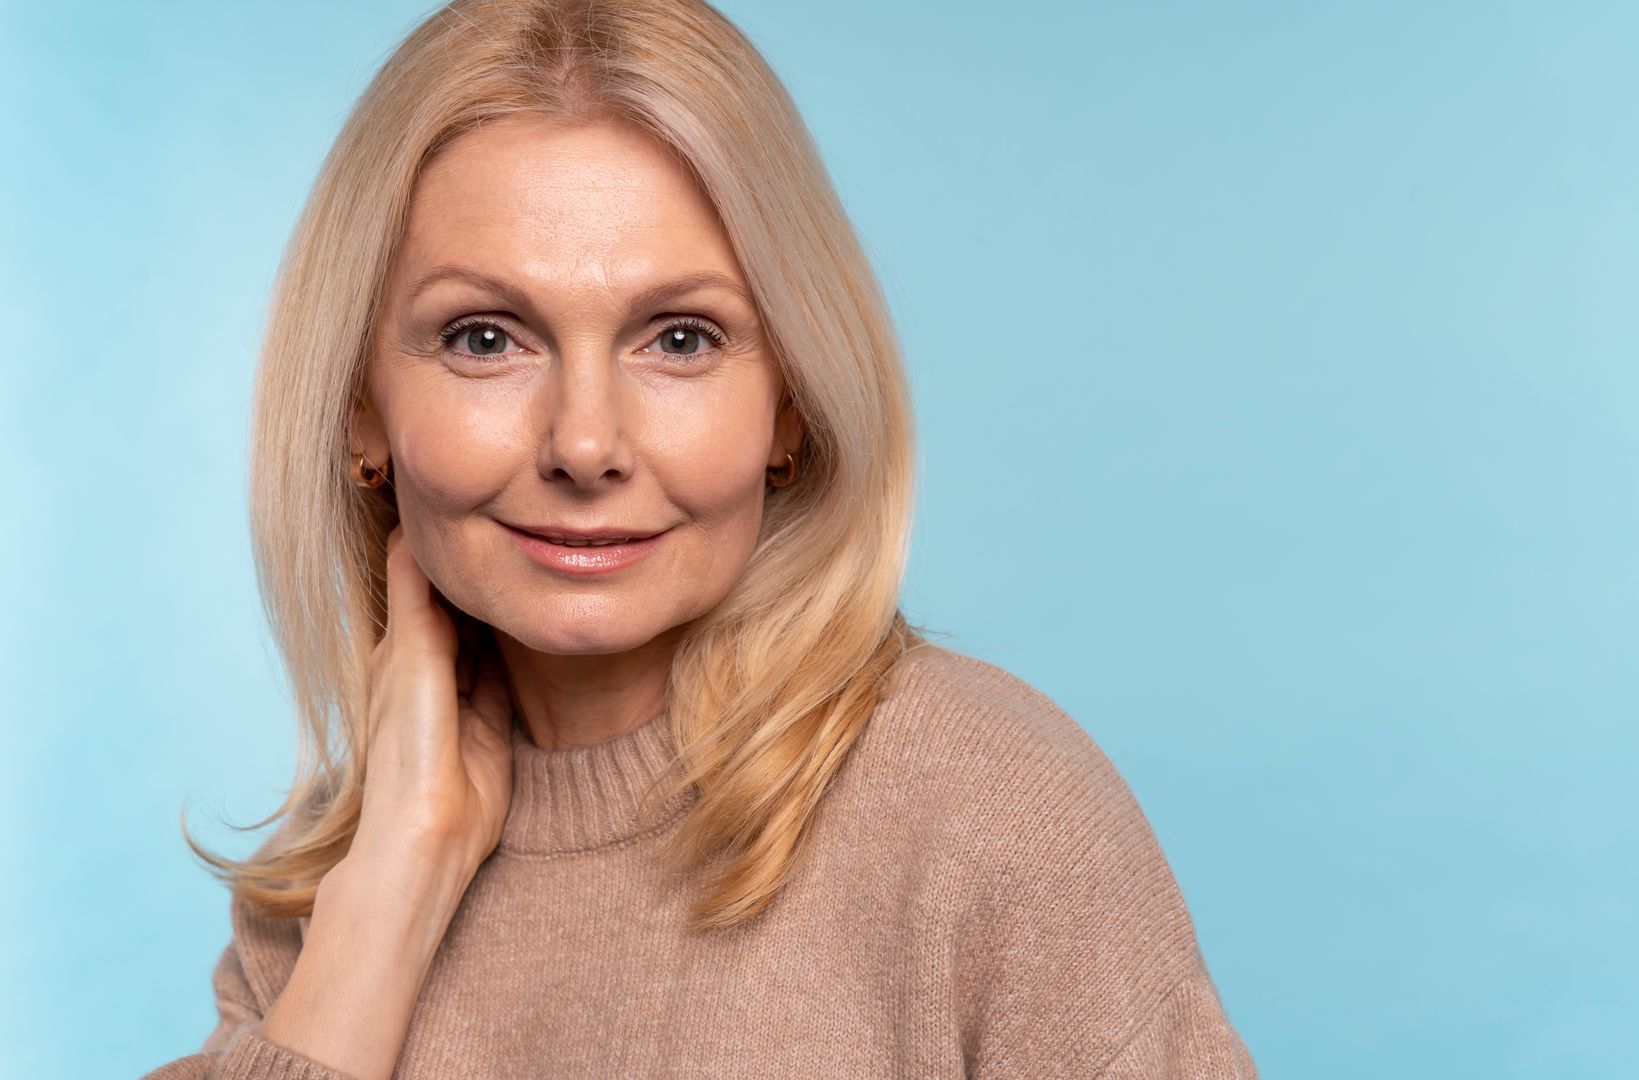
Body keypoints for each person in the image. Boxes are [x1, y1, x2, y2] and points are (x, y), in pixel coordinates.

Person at [142, 0, 1257, 1076]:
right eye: (486, 338)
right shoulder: (329, 892)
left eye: (681, 338)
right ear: (361, 410)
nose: (585, 444)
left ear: (789, 402)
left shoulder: (996, 820)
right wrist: (387, 900)